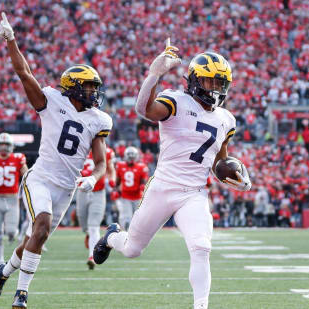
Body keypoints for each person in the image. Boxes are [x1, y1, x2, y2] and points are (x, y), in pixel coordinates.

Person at [93, 44, 250, 309]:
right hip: (163, 187)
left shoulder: (226, 119)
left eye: (220, 82)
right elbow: (144, 109)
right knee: (132, 250)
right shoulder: (177, 101)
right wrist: (154, 74)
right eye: (210, 80)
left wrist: (236, 176)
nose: (215, 88)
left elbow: (218, 161)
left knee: (202, 248)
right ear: (195, 79)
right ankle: (111, 237)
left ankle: (201, 306)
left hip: (194, 193)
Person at [0, 12, 113, 308]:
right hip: (40, 178)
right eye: (89, 87)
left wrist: (93, 178)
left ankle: (4, 271)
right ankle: (21, 295)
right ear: (73, 87)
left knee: (34, 240)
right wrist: (10, 40)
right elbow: (24, 72)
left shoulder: (99, 120)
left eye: (95, 87)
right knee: (41, 227)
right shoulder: (51, 101)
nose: (94, 93)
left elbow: (100, 161)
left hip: (66, 188)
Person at [0, 133, 28, 266]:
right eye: (1, 144)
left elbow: (26, 175)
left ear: (11, 146)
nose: (3, 147)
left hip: (12, 199)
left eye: (6, 144)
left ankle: (15, 236)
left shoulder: (18, 158)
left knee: (11, 231)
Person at [77, 146, 116, 270]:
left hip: (99, 192)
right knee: (84, 224)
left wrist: (112, 180)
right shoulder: (79, 148)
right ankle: (88, 234)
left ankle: (92, 258)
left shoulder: (107, 151)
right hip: (81, 191)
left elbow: (111, 169)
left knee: (94, 226)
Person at [114, 146, 148, 230]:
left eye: (132, 156)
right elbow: (117, 181)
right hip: (125, 196)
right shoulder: (120, 165)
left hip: (137, 197)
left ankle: (137, 235)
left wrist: (143, 186)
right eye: (130, 156)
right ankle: (127, 235)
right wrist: (115, 190)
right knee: (126, 218)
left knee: (139, 219)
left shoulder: (141, 167)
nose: (131, 158)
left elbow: (143, 182)